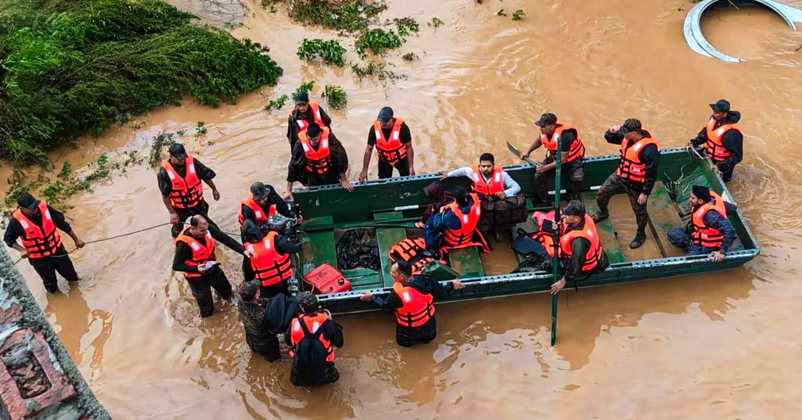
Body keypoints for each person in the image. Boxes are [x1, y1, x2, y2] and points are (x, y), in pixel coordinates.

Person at [591, 118, 661, 249]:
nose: (622, 134)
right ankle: (603, 212)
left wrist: (645, 192)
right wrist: (611, 132)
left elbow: (651, 174)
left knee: (639, 211)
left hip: (636, 184)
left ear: (634, 133)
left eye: (625, 132)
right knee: (601, 193)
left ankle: (641, 234)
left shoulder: (649, 150)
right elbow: (609, 138)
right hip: (620, 176)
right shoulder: (627, 137)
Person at [360, 261, 465, 347]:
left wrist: (373, 297)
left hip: (408, 332)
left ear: (401, 276)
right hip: (429, 327)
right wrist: (452, 284)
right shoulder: (427, 280)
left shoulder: (397, 294)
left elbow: (386, 307)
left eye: (393, 272)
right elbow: (441, 292)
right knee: (429, 344)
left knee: (405, 348)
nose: (391, 274)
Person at [4, 193, 85, 293]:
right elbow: (8, 239)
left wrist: (76, 239)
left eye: (35, 205)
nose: (35, 209)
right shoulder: (16, 222)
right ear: (23, 208)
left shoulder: (46, 209)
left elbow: (62, 224)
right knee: (51, 285)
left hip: (57, 251)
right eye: (31, 208)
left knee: (72, 277)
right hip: (39, 259)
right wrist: (22, 250)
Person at [173, 215, 244, 318]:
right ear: (193, 228)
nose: (206, 233)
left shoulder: (207, 228)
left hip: (212, 269)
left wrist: (244, 251)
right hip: (197, 278)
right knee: (207, 309)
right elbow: (176, 266)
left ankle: (222, 300)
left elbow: (226, 240)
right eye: (202, 231)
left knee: (227, 292)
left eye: (206, 230)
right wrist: (196, 269)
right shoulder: (183, 244)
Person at [440, 153, 524, 240]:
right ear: (480, 166)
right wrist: (448, 174)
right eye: (483, 166)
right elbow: (463, 171)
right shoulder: (473, 173)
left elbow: (516, 187)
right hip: (481, 200)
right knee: (475, 214)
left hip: (496, 200)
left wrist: (505, 193)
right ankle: (484, 229)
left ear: (493, 165)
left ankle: (498, 229)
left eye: (489, 166)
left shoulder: (502, 175)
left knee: (507, 210)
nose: (486, 169)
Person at [158, 143, 221, 238]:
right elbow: (165, 196)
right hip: (180, 207)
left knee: (209, 227)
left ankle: (210, 240)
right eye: (179, 159)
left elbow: (205, 176)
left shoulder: (193, 163)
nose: (182, 160)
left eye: (183, 157)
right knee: (176, 231)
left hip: (198, 203)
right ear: (171, 157)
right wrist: (172, 213)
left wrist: (214, 189)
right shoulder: (164, 172)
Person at [546, 200, 610, 294]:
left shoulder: (579, 241)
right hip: (597, 255)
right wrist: (559, 226)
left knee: (546, 263)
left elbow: (576, 263)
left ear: (576, 218)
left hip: (586, 267)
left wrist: (564, 281)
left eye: (568, 215)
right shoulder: (584, 217)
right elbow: (567, 224)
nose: (564, 216)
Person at [521, 113, 586, 204]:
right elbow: (539, 140)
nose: (540, 128)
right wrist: (528, 151)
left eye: (543, 126)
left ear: (551, 126)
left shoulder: (566, 135)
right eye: (540, 126)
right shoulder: (544, 132)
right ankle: (545, 200)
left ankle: (575, 199)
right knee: (538, 176)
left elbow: (563, 160)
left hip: (572, 161)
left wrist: (545, 168)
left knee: (578, 178)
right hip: (555, 158)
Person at [239, 182, 296, 281]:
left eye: (264, 197)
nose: (263, 200)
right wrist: (261, 237)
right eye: (259, 199)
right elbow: (249, 231)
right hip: (250, 230)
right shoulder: (247, 209)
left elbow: (281, 205)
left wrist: (292, 217)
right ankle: (250, 278)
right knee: (251, 254)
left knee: (277, 242)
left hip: (266, 224)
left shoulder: (270, 192)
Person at [287, 292, 344, 387]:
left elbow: (288, 342)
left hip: (301, 369)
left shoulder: (294, 323)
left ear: (302, 308)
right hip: (324, 368)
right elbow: (339, 343)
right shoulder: (328, 324)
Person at [667, 186, 737, 262]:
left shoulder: (710, 216)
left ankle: (695, 250)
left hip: (706, 246)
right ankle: (690, 244)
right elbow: (731, 208)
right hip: (695, 234)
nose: (690, 199)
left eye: (693, 198)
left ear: (700, 201)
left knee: (688, 261)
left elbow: (730, 230)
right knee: (671, 234)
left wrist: (721, 252)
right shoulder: (707, 201)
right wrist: (734, 205)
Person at [286, 122, 353, 200]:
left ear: (320, 134)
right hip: (312, 175)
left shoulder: (329, 137)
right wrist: (289, 190)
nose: (312, 142)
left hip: (330, 171)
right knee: (314, 197)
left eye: (315, 140)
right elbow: (293, 166)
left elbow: (340, 157)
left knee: (334, 195)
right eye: (310, 139)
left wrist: (344, 179)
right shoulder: (300, 144)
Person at [689, 99, 744, 182]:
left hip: (723, 165)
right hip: (709, 158)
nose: (714, 114)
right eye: (714, 111)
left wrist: (720, 166)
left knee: (724, 182)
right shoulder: (714, 119)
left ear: (725, 114)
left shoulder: (732, 133)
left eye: (717, 112)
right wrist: (694, 142)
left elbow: (737, 156)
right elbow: (706, 132)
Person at [242, 221, 300, 298]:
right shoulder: (275, 238)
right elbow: (293, 249)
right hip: (285, 282)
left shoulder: (248, 250)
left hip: (266, 288)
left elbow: (248, 273)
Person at [358, 107, 415, 181]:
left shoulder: (403, 128)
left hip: (401, 159)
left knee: (408, 178)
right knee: (383, 181)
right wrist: (364, 170)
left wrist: (411, 167)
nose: (383, 124)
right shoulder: (374, 129)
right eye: (381, 121)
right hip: (384, 159)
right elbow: (369, 149)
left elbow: (409, 147)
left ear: (392, 119)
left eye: (386, 121)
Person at [425, 187, 490, 253]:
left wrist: (440, 213)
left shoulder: (451, 216)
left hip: (455, 242)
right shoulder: (476, 201)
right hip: (470, 236)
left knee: (431, 221)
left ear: (455, 200)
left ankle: (430, 246)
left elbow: (437, 224)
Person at [237, 282, 281, 362]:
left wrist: (271, 301)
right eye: (257, 289)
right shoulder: (260, 315)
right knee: (275, 360)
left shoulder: (241, 300)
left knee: (255, 353)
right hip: (264, 342)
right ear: (257, 295)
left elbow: (260, 302)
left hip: (250, 335)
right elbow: (275, 327)